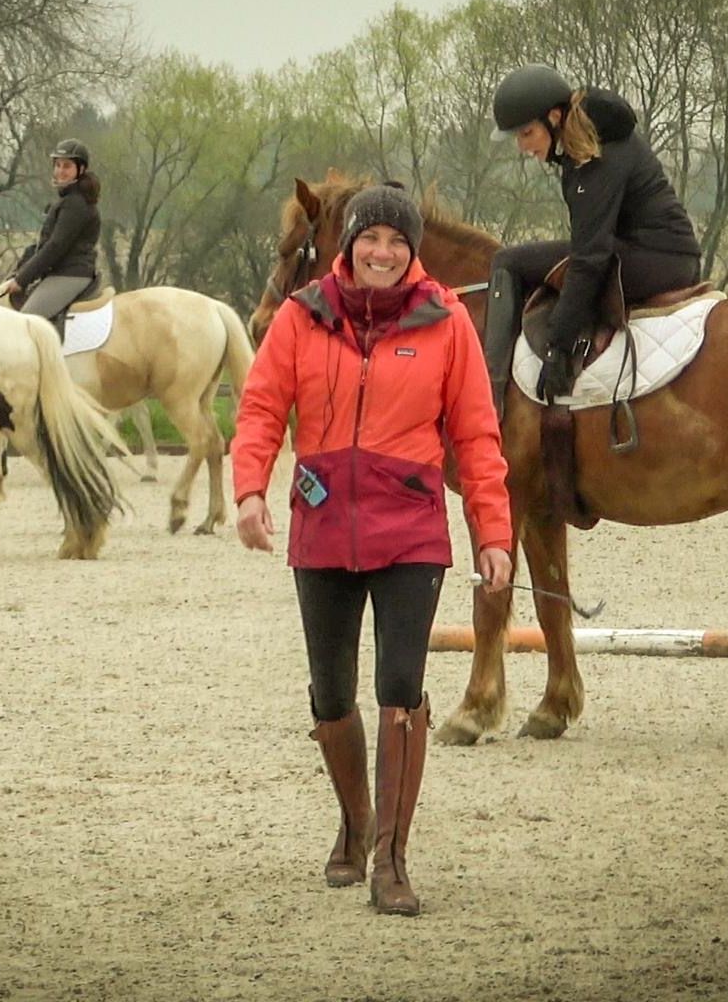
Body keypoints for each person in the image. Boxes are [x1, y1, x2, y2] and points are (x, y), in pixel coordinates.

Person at [232, 183, 514, 918]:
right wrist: (250, 489)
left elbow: (477, 435)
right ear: (348, 245)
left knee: (398, 685)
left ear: (412, 250)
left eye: (396, 241)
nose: (382, 253)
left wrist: (493, 533)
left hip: (410, 530)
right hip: (322, 525)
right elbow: (261, 407)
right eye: (370, 239)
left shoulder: (446, 320)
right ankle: (355, 822)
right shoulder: (301, 316)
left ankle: (390, 858)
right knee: (330, 693)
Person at [484, 64, 702, 415]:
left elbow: (590, 258)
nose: (522, 146)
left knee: (507, 261)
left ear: (554, 118)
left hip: (655, 261)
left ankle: (489, 396)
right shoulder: (589, 145)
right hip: (663, 257)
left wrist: (558, 346)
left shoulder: (596, 157)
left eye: (526, 133)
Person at [1, 138, 101, 339]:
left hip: (70, 275)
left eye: (67, 166)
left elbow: (55, 246)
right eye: (58, 165)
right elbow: (42, 245)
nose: (60, 171)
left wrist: (22, 279)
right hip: (60, 272)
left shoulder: (75, 204)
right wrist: (19, 272)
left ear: (81, 169)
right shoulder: (67, 201)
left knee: (26, 323)